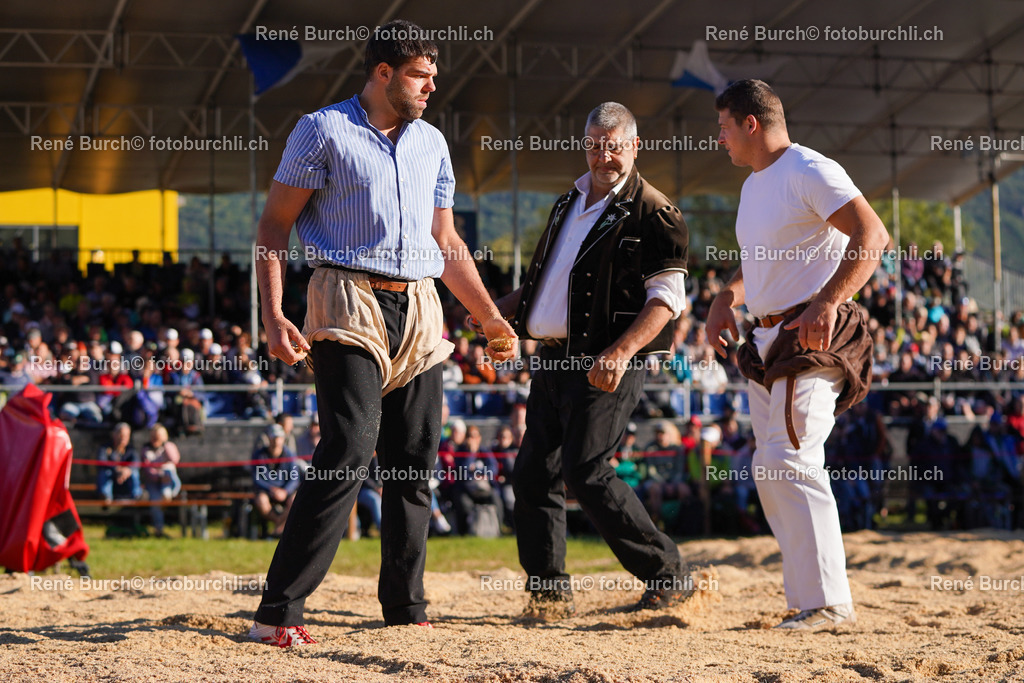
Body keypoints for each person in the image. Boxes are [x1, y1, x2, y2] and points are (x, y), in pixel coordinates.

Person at [249, 20, 517, 647]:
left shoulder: (432, 143)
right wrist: (273, 315)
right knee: (347, 448)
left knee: (416, 458)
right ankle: (278, 612)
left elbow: (446, 242)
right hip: (345, 296)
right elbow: (271, 228)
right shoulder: (322, 130)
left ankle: (405, 605)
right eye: (422, 75)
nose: (431, 87)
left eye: (432, 76)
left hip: (421, 305)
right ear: (383, 73)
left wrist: (488, 316)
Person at [485, 102, 692, 617]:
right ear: (586, 146)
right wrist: (495, 313)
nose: (605, 157)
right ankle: (549, 595)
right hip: (553, 361)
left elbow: (667, 301)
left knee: (587, 471)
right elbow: (542, 284)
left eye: (615, 146)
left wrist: (621, 351)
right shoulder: (567, 202)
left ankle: (669, 575)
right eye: (596, 145)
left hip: (607, 362)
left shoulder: (656, 211)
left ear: (634, 147)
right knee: (534, 474)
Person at [707, 79, 889, 630]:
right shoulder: (756, 185)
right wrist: (725, 297)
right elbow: (760, 264)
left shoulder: (810, 169)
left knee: (790, 458)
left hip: (811, 334)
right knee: (771, 466)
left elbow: (872, 235)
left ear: (750, 123)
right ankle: (810, 599)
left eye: (723, 128)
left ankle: (829, 604)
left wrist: (829, 300)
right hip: (769, 338)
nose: (720, 140)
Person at [251, 423, 304, 538]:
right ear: (269, 438)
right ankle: (279, 526)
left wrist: (284, 491)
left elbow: (294, 478)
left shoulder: (289, 455)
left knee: (296, 500)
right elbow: (257, 478)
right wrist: (271, 490)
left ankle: (278, 530)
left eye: (279, 437)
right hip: (267, 491)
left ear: (283, 439)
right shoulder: (259, 455)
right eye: (273, 437)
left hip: (285, 492)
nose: (276, 440)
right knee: (261, 500)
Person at [141, 424, 182, 538]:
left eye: (158, 436)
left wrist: (165, 446)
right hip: (153, 482)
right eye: (154, 436)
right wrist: (159, 476)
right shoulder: (146, 449)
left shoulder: (169, 446)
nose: (156, 439)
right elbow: (147, 469)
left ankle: (168, 494)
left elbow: (174, 460)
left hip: (169, 480)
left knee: (168, 469)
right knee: (156, 502)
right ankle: (159, 529)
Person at [96, 422, 141, 502]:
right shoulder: (105, 447)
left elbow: (136, 462)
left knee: (134, 472)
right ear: (114, 434)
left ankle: (136, 497)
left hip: (125, 478)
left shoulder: (131, 449)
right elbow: (101, 461)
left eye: (126, 436)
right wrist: (117, 469)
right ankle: (105, 497)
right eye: (121, 435)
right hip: (112, 476)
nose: (123, 438)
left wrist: (128, 470)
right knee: (105, 472)